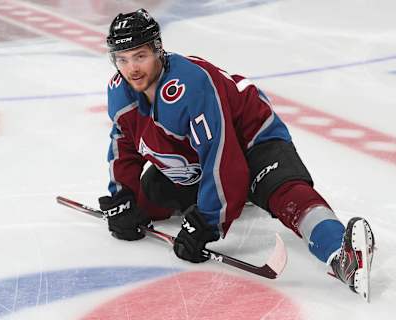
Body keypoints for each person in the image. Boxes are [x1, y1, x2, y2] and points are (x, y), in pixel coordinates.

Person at [98, 8, 375, 300]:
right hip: (196, 153)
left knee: (285, 193)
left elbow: (221, 157)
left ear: (158, 50)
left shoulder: (189, 85)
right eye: (122, 59)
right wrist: (123, 198)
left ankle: (340, 254)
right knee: (150, 194)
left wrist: (206, 222)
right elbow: (123, 142)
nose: (132, 69)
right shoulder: (120, 90)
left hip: (251, 138)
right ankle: (236, 198)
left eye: (140, 56)